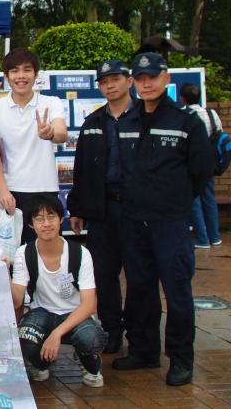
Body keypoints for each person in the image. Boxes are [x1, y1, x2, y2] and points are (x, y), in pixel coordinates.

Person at [112, 52, 213, 386]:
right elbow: (121, 171)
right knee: (139, 289)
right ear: (133, 82)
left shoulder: (187, 123)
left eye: (152, 77)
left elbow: (201, 172)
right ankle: (143, 350)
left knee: (177, 292)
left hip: (170, 222)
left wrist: (175, 202)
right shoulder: (127, 120)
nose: (146, 83)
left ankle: (181, 359)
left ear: (166, 79)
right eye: (140, 79)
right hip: (134, 221)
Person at [67, 59, 134, 355]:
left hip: (137, 210)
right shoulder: (93, 122)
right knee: (104, 274)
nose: (110, 85)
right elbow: (81, 168)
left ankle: (139, 331)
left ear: (128, 81)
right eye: (104, 81)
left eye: (115, 79)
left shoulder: (144, 118)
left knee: (139, 273)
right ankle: (112, 329)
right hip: (102, 210)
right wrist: (78, 208)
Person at [11, 194, 106, 388]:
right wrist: (2, 274)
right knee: (24, 338)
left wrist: (56, 334)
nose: (46, 224)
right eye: (39, 219)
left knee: (91, 339)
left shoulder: (80, 253)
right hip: (42, 313)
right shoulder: (24, 252)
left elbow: (89, 305)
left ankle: (89, 363)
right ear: (31, 224)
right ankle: (41, 363)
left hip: (75, 313)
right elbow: (17, 300)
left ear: (61, 219)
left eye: (51, 217)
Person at [0, 49, 67, 242]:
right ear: (6, 76)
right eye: (14, 71)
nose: (21, 76)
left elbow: (61, 133)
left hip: (45, 189)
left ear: (36, 74)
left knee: (46, 251)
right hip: (11, 192)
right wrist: (3, 190)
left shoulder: (51, 102)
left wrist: (50, 133)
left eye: (27, 70)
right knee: (9, 255)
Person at [180, 83, 223, 248]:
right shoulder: (212, 114)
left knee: (194, 201)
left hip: (191, 165)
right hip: (209, 165)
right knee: (209, 199)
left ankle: (202, 239)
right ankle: (215, 236)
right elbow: (218, 134)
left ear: (183, 99)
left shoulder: (186, 116)